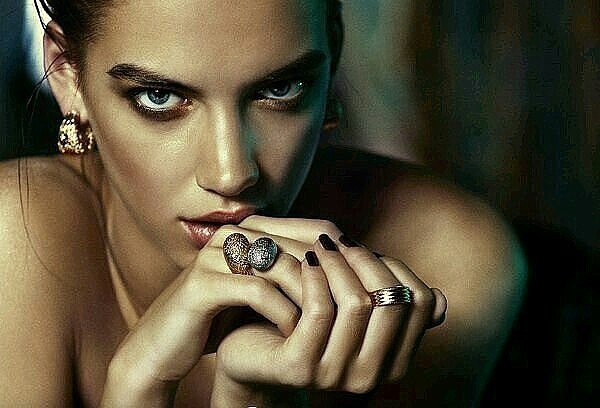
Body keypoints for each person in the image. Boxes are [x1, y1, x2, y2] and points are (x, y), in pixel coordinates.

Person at [0, 0, 526, 406]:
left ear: (333, 56)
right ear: (67, 75)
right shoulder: (16, 240)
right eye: (160, 97)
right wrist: (138, 387)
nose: (232, 173)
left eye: (280, 88)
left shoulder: (447, 258)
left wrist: (247, 399)